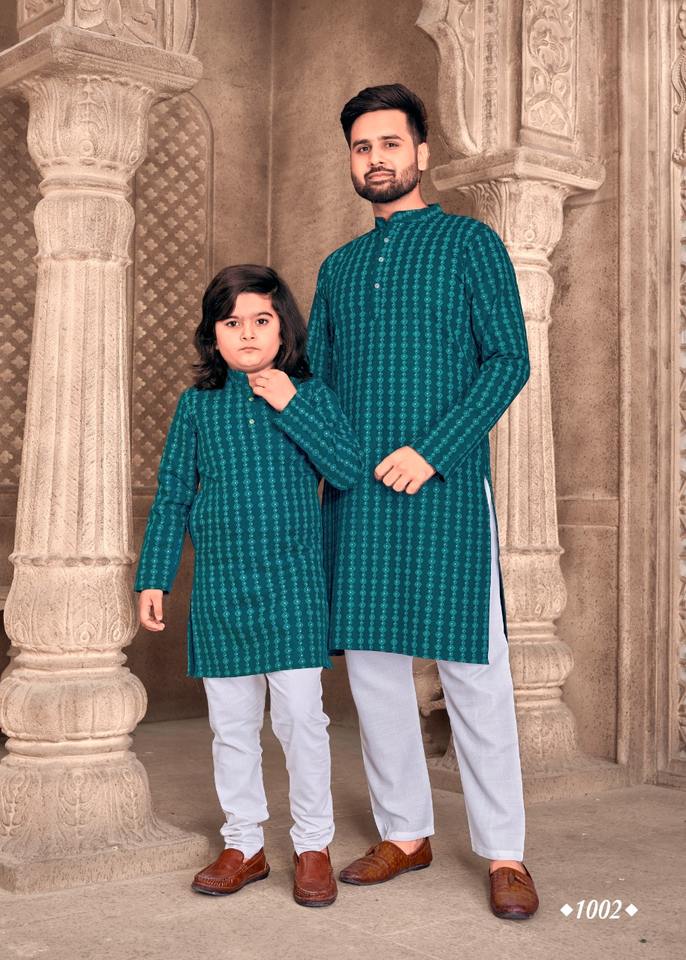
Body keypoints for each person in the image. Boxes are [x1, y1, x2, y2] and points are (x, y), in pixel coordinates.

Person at [306, 84, 540, 920]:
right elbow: (318, 386)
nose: (376, 159)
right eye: (362, 147)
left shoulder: (471, 243)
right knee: (373, 672)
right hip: (357, 494)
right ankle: (405, 833)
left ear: (422, 153)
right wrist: (325, 472)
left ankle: (504, 852)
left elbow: (508, 360)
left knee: (474, 670)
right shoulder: (338, 268)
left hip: (445, 487)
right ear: (352, 160)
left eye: (390, 144)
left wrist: (434, 451)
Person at [134, 264, 363, 907]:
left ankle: (313, 846)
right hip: (220, 588)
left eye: (261, 319)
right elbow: (173, 495)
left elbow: (346, 470)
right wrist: (153, 577)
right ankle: (244, 845)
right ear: (213, 335)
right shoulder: (198, 405)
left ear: (283, 326)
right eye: (231, 322)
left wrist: (291, 403)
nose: (248, 333)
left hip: (293, 584)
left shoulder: (309, 394)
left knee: (301, 720)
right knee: (232, 725)